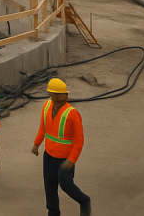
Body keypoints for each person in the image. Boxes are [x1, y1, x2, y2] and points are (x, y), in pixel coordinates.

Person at [32, 78, 91, 216]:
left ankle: (84, 200)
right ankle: (53, 211)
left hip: (65, 159)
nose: (61, 97)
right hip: (49, 156)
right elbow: (43, 128)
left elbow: (78, 140)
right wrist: (36, 144)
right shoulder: (46, 106)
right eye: (56, 94)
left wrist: (72, 160)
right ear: (51, 95)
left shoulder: (72, 113)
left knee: (66, 185)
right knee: (49, 185)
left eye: (63, 94)